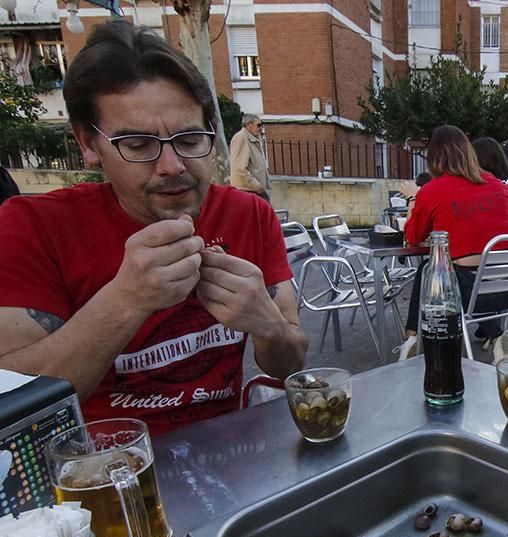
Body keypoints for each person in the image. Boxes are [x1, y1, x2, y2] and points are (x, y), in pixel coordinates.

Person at [0, 23, 307, 435]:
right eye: (138, 144)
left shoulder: (250, 214)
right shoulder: (32, 227)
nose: (172, 165)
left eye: (190, 138)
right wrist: (126, 299)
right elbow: (15, 408)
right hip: (97, 479)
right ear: (89, 145)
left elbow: (290, 362)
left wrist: (266, 324)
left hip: (228, 461)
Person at [397, 125, 508, 359]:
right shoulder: (500, 187)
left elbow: (412, 238)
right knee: (457, 271)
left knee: (428, 270)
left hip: (465, 292)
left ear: (434, 157)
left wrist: (413, 198)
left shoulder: (432, 191)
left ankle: (412, 338)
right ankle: (497, 336)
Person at [229, 113, 270, 200]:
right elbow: (240, 168)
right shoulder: (241, 138)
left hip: (255, 191)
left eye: (262, 125)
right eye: (258, 125)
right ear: (248, 124)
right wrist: (257, 186)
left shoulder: (253, 139)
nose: (260, 128)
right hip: (248, 191)